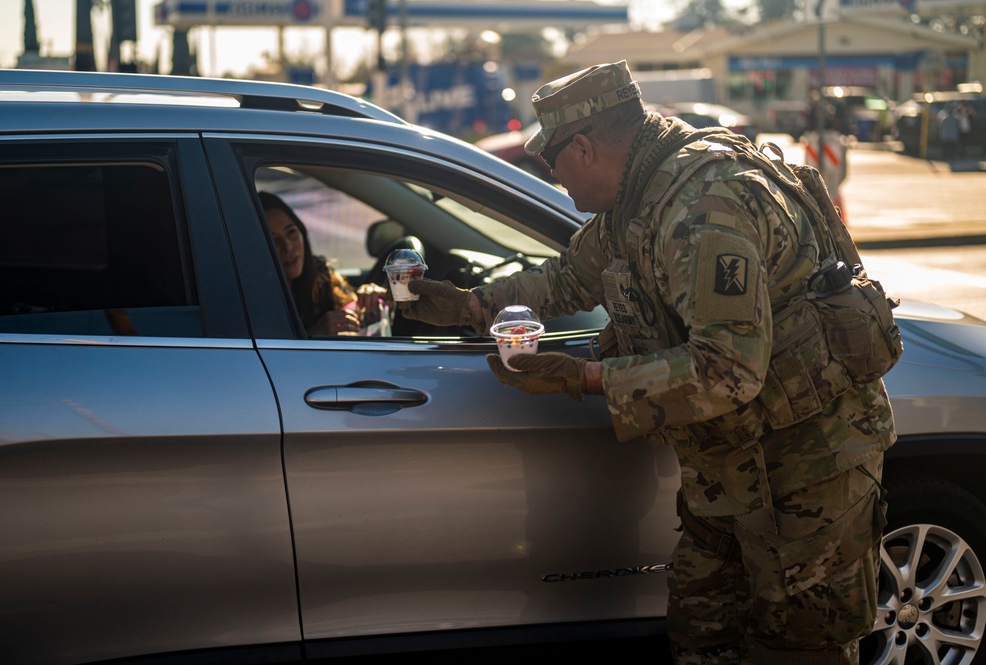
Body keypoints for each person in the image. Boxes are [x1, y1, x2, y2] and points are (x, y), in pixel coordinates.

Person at [400, 61, 895, 665]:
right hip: (731, 472)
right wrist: (472, 306)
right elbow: (569, 278)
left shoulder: (704, 209)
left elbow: (726, 369)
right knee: (703, 638)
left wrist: (583, 377)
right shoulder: (639, 196)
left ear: (583, 147)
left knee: (798, 652)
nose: (553, 181)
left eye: (551, 165)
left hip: (806, 474)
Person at [259, 191, 386, 336]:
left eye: (291, 232)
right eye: (272, 240)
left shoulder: (320, 274)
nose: (287, 247)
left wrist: (370, 296)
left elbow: (354, 312)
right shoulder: (255, 301)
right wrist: (312, 335)